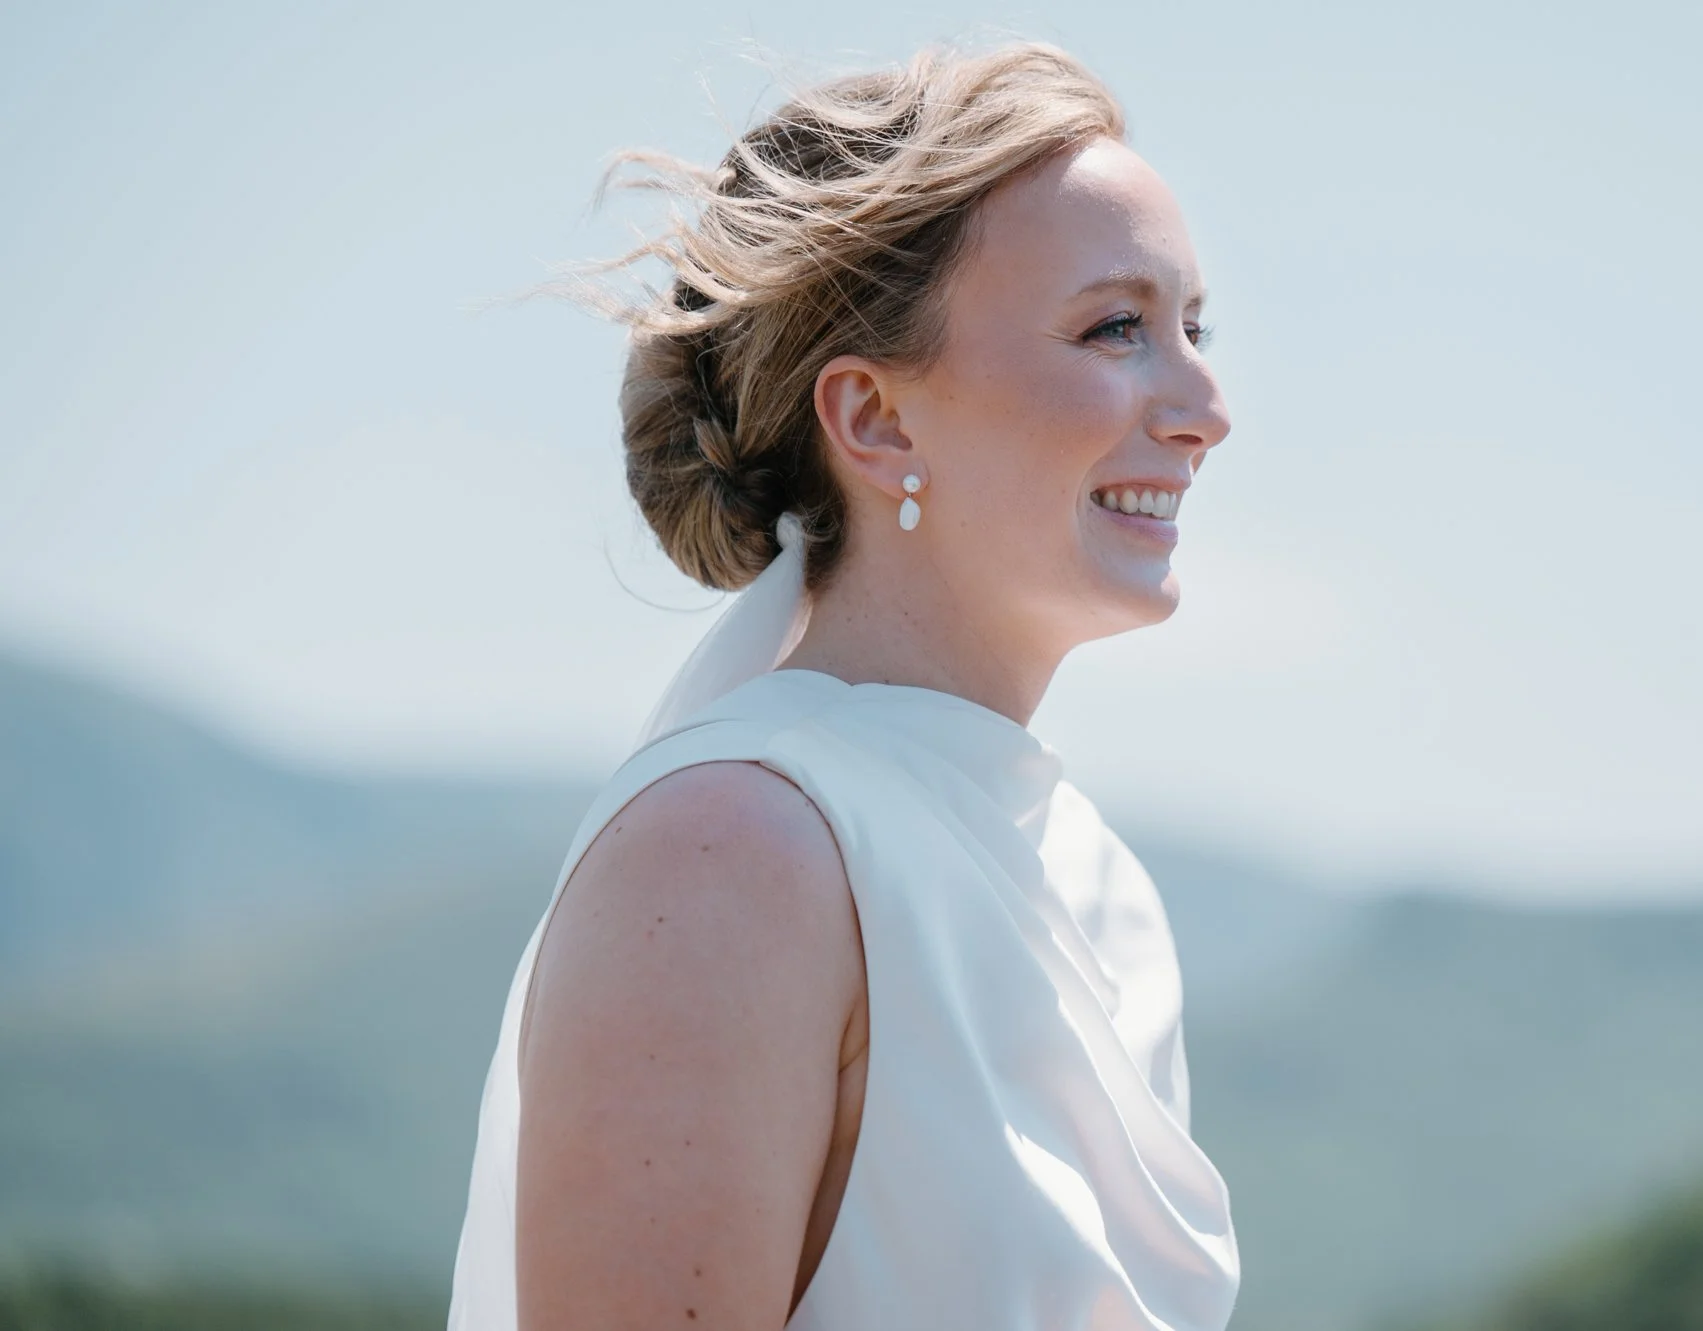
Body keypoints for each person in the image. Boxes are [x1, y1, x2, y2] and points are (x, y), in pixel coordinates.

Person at [446, 40, 1238, 1330]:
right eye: (1117, 328)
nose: (1206, 404)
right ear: (873, 418)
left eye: (1193, 327)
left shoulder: (1102, 891)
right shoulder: (732, 851)